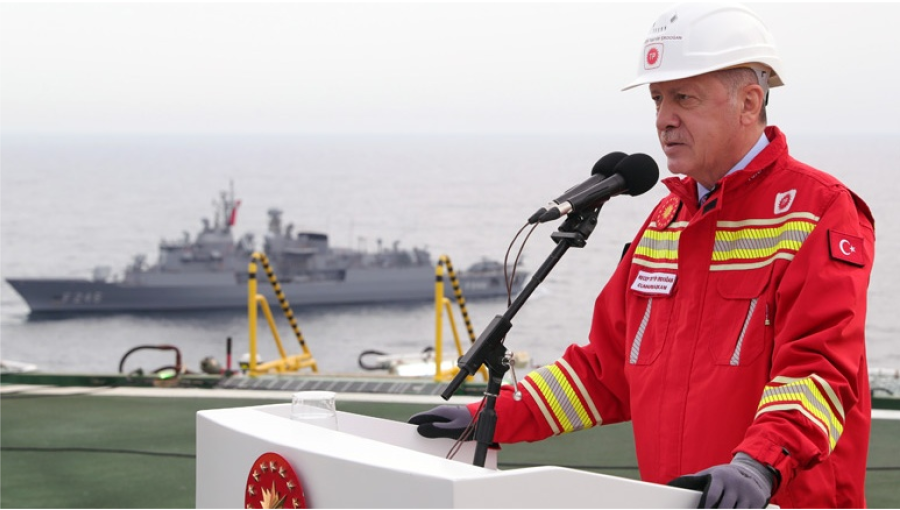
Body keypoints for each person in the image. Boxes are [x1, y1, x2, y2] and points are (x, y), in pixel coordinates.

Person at [409, 3, 876, 508]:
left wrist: (759, 465)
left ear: (748, 102)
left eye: (683, 98)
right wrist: (495, 417)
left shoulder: (820, 211)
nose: (663, 120)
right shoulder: (664, 222)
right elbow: (605, 372)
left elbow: (821, 372)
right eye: (656, 99)